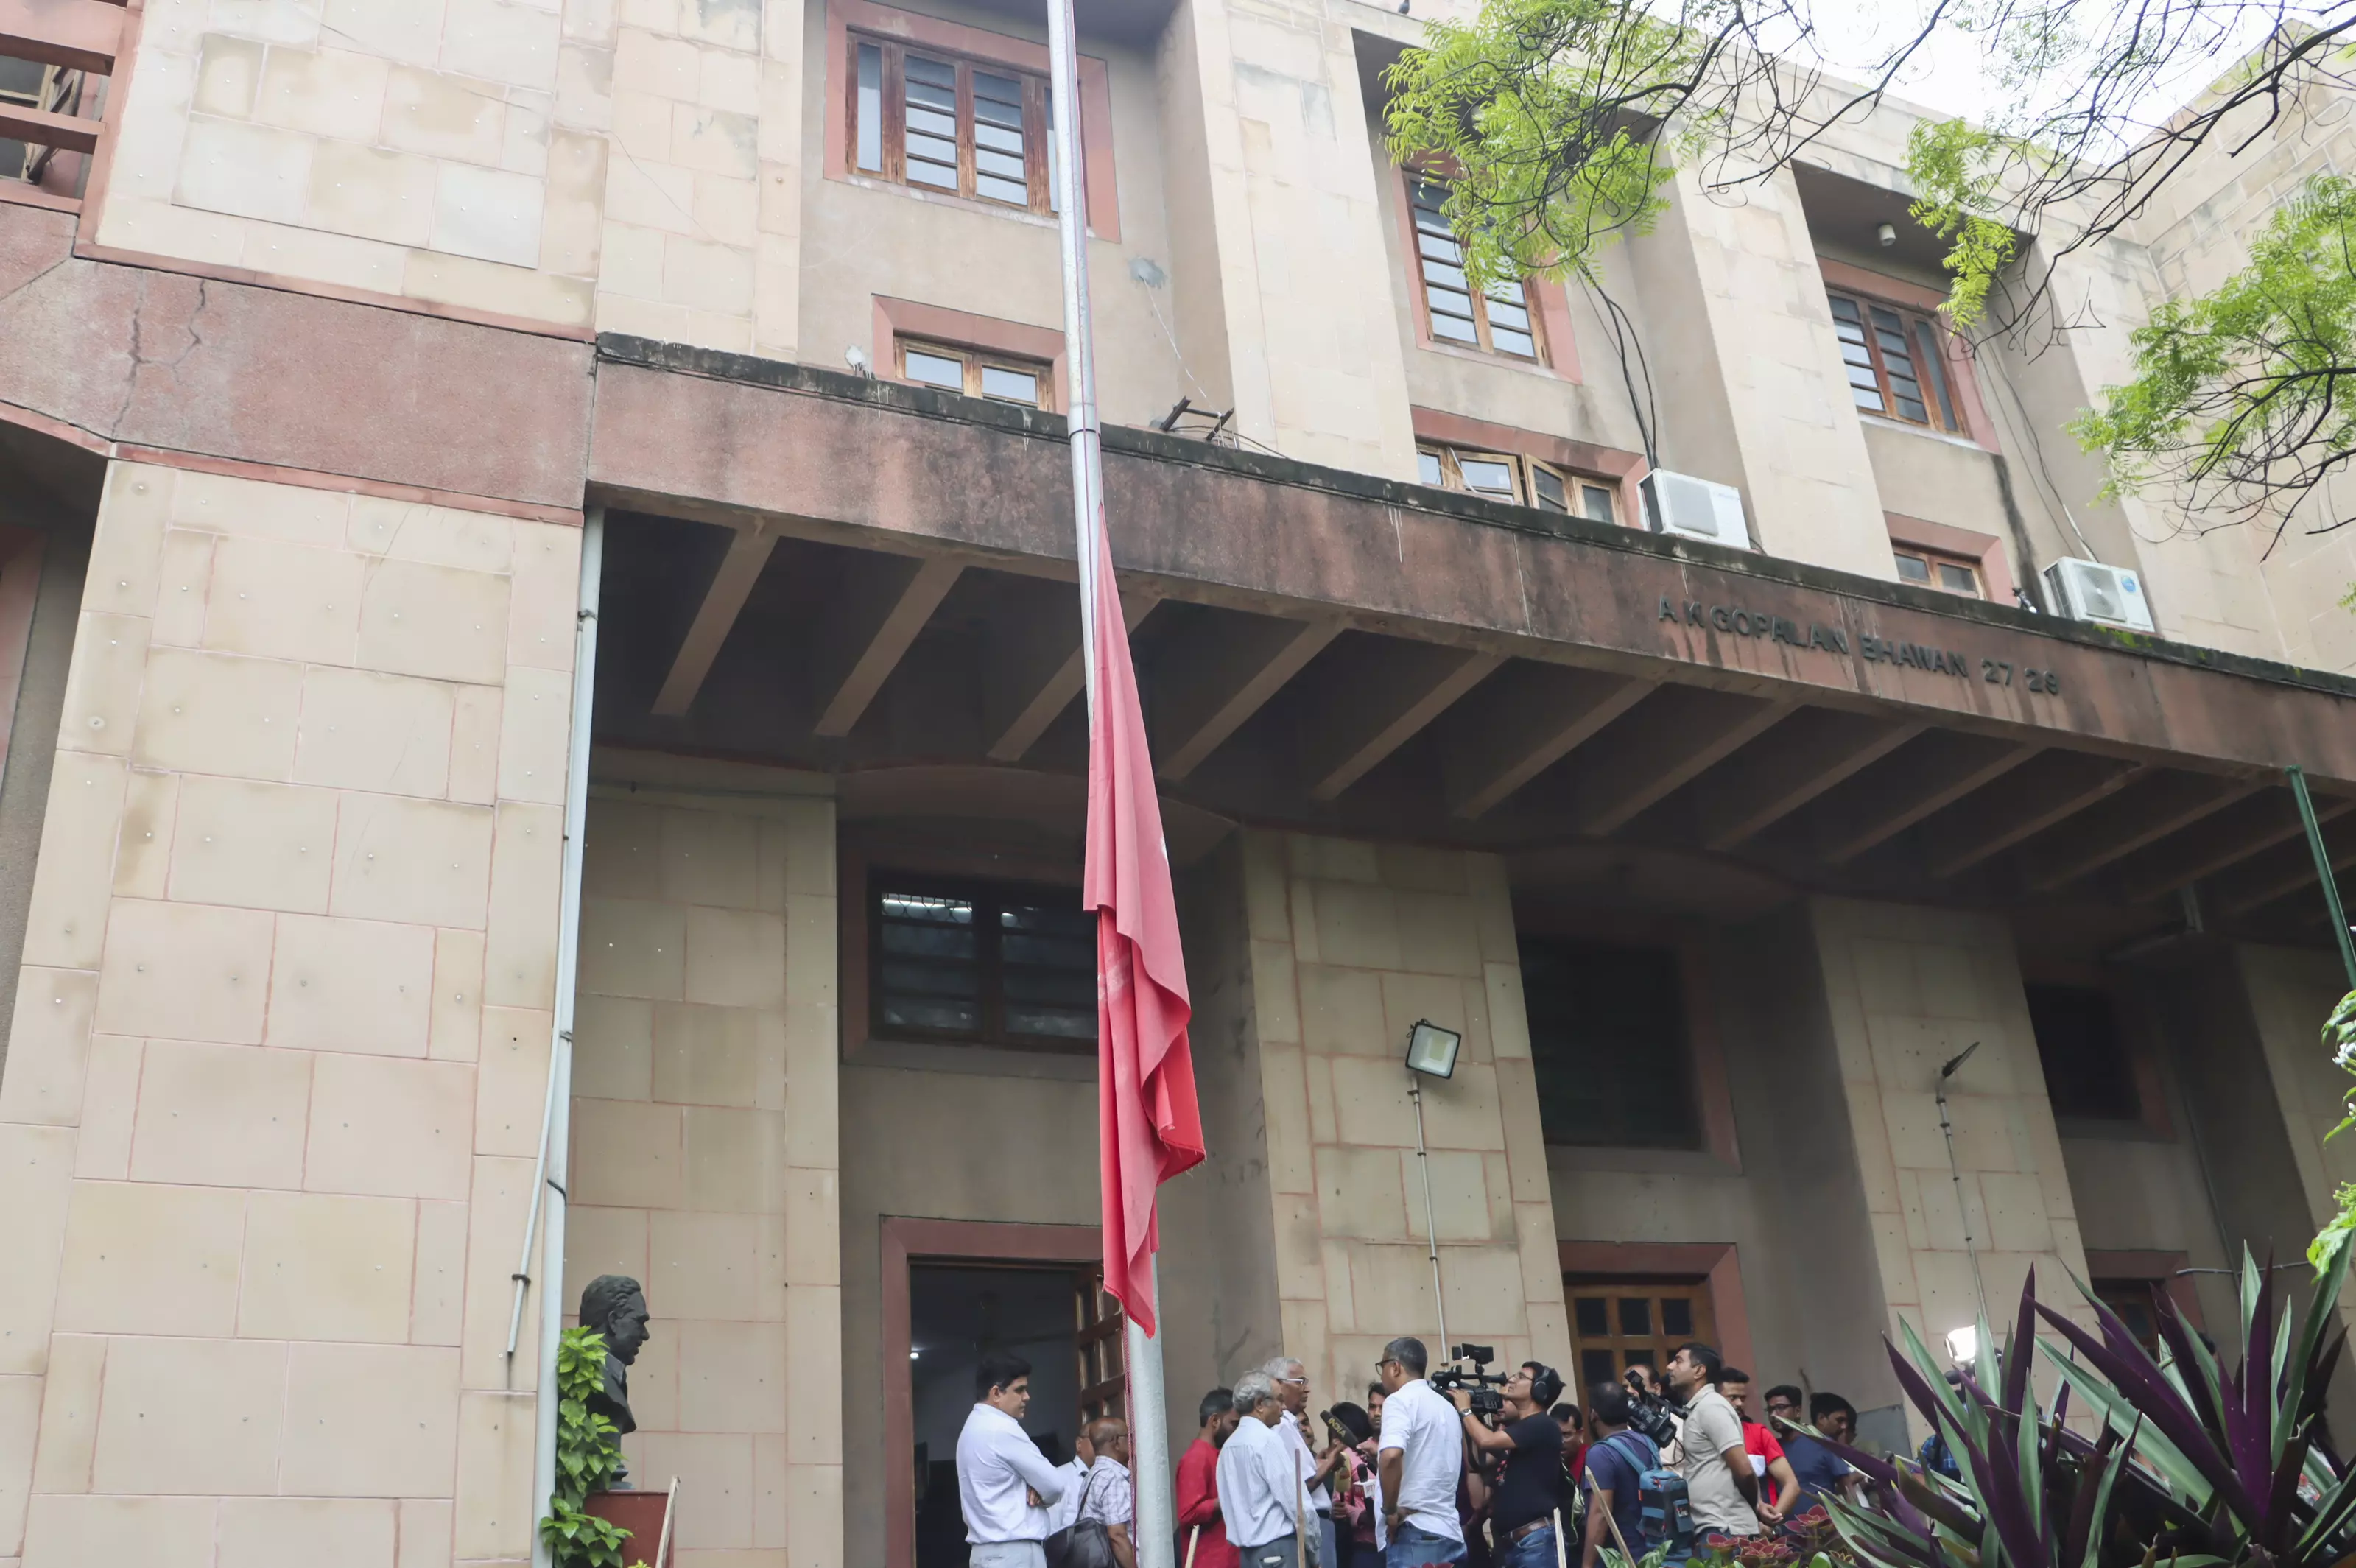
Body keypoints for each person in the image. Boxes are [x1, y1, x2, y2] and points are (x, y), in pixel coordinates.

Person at [957, 1351, 1069, 1568]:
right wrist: (1041, 1491)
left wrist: (1035, 1485)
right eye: (1020, 1390)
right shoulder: (1002, 1429)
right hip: (1013, 1553)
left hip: (985, 1554)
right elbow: (1055, 1485)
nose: (1027, 1397)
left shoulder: (971, 1427)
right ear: (996, 1393)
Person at [1455, 1362, 1566, 1568]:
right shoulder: (1523, 1430)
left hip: (1535, 1543)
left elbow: (1487, 1441)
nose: (1512, 1380)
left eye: (1521, 1377)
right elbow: (1478, 1462)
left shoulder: (1541, 1424)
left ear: (1539, 1389)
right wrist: (1473, 1416)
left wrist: (1466, 1410)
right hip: (1519, 1544)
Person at [1375, 1336, 1467, 1568]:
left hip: (1416, 1532)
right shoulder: (1446, 1407)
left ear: (1395, 1367)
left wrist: (1390, 1511)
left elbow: (1391, 1456)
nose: (1382, 1373)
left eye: (1382, 1366)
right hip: (1450, 1532)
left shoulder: (1399, 1401)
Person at [1662, 1343, 1759, 1540]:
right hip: (1714, 1526)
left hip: (1725, 1528)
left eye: (1678, 1361)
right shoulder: (1699, 1408)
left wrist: (1755, 1506)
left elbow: (1745, 1471)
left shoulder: (1711, 1407)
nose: (1670, 1367)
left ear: (1699, 1371)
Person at [1269, 1357, 1350, 1568]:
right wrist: (1332, 1460)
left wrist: (1320, 1460)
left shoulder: (1289, 1424)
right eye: (1300, 1382)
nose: (1307, 1389)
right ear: (1278, 1383)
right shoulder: (1282, 1426)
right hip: (1311, 1523)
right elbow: (1302, 1486)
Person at [1222, 1374, 1309, 1568]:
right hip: (1279, 1551)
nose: (1284, 1407)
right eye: (1279, 1399)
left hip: (1247, 1556)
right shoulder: (1268, 1440)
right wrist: (1313, 1549)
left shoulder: (1228, 1448)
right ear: (1260, 1404)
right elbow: (1297, 1504)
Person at [1578, 1381, 1658, 1568]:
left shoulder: (1600, 1453)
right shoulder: (1647, 1442)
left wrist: (1587, 1565)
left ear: (1594, 1413)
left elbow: (1601, 1514)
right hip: (1652, 1554)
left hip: (1621, 1559)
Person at [1712, 1368, 1798, 1527]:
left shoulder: (1759, 1434)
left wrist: (1770, 1523)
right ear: (1715, 1399)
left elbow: (1791, 1484)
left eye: (1742, 1398)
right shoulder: (1703, 1437)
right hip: (1721, 1529)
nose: (1739, 1404)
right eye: (1733, 1398)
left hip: (1763, 1540)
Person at [1179, 1388, 1242, 1568]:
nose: (1236, 1430)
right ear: (1215, 1421)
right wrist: (1227, 1498)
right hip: (1209, 1561)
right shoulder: (1196, 1457)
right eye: (1234, 1424)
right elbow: (1188, 1514)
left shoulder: (1220, 1454)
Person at [1770, 1391, 1859, 1513]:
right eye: (1770, 1410)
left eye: (1780, 1408)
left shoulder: (1823, 1444)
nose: (1774, 1415)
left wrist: (1855, 1525)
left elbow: (1847, 1489)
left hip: (1826, 1529)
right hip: (1786, 1529)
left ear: (1798, 1411)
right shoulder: (1770, 1448)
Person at [1080, 1416, 1139, 1568]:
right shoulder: (1113, 1477)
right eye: (1129, 1436)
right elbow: (1117, 1536)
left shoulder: (1092, 1475)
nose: (1132, 1441)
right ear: (1117, 1441)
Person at [1329, 1402, 1381, 1567]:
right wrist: (1361, 1515)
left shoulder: (1403, 1450)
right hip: (1366, 1546)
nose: (1377, 1413)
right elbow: (1339, 1503)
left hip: (1400, 1540)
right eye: (1372, 1407)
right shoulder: (1349, 1456)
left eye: (1383, 1407)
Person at [1047, 1427, 1100, 1536]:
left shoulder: (1106, 1478)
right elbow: (1052, 1529)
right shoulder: (1060, 1476)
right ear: (1079, 1444)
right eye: (1096, 1440)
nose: (1101, 1446)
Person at [1550, 1404, 1586, 1508]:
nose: (1561, 1441)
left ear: (1580, 1434)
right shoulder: (1548, 1461)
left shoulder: (1591, 1459)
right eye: (1556, 1435)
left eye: (1567, 1435)